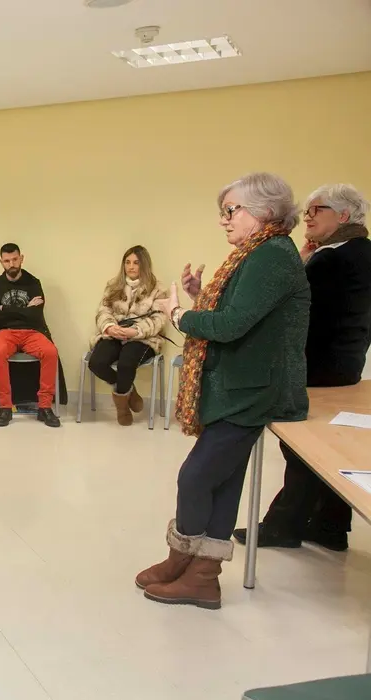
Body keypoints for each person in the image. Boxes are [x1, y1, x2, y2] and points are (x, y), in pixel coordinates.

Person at [136, 172, 310, 610]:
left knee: (196, 477)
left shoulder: (270, 255)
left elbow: (231, 327)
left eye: (231, 211)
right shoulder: (259, 253)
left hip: (250, 390)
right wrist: (199, 300)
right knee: (223, 482)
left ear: (264, 211)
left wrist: (176, 313)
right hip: (239, 385)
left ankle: (194, 566)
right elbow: (236, 317)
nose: (224, 220)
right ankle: (195, 571)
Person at [235, 184, 371, 552]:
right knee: (327, 445)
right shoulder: (361, 252)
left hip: (316, 367)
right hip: (346, 366)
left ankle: (283, 526)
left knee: (302, 449)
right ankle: (330, 525)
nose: (307, 216)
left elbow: (288, 305)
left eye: (316, 210)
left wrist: (302, 260)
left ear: (343, 216)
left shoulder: (331, 259)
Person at [88, 246, 169, 426]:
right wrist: (109, 327)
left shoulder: (158, 289)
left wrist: (136, 331)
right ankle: (129, 391)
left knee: (126, 363)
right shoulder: (113, 286)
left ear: (144, 265)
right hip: (115, 333)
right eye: (127, 262)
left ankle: (122, 408)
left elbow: (159, 318)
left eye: (136, 263)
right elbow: (103, 311)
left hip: (143, 338)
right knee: (96, 363)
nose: (131, 267)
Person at [0, 243, 61, 428]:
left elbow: (36, 314)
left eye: (14, 259)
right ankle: (5, 407)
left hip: (32, 331)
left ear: (21, 258)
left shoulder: (33, 282)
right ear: (1, 262)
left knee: (51, 352)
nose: (11, 264)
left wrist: (7, 309)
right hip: (5, 332)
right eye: (7, 260)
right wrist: (25, 308)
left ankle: (44, 407)